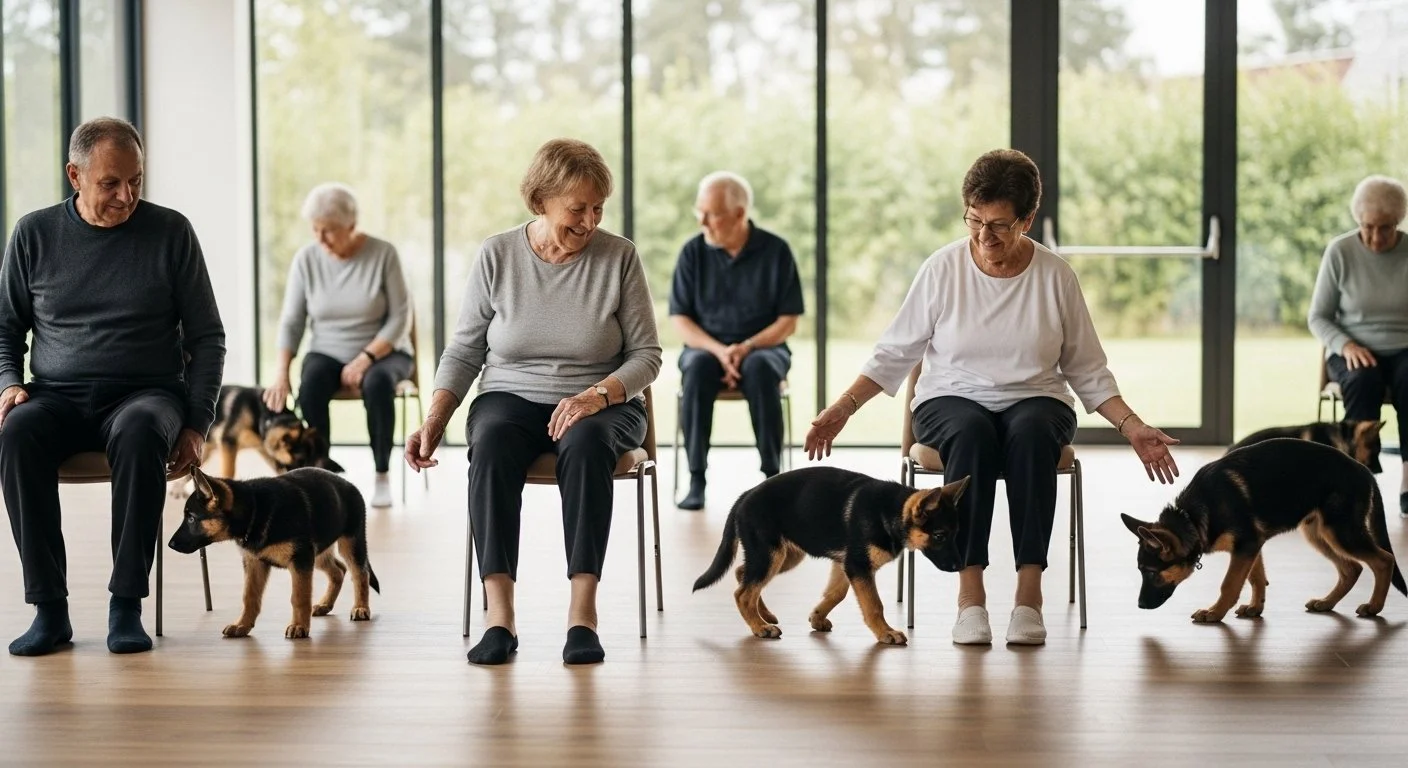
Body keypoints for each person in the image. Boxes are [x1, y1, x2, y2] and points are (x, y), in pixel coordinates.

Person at [804, 149, 1178, 647]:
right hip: (950, 401)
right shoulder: (941, 270)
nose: (984, 237)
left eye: (1000, 225)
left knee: (1028, 434)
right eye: (974, 221)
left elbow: (1087, 369)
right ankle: (971, 598)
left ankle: (1028, 598)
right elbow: (894, 353)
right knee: (974, 433)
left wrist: (1133, 427)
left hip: (1037, 400)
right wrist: (841, 409)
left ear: (1028, 219)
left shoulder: (1055, 277)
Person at [405, 138, 661, 666]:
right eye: (577, 208)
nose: (590, 221)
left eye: (598, 209)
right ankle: (499, 618)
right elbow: (464, 348)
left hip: (603, 402)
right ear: (541, 199)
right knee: (493, 442)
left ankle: (582, 617)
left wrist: (596, 396)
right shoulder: (498, 255)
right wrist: (434, 419)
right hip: (511, 395)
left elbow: (648, 356)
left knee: (587, 443)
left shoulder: (619, 257)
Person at [0, 117, 226, 656]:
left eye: (137, 181)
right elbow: (6, 329)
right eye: (110, 183)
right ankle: (49, 610)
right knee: (17, 431)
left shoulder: (172, 233)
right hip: (56, 394)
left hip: (146, 393)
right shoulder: (34, 234)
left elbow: (208, 337)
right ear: (74, 176)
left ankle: (126, 605)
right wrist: (9, 384)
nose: (126, 196)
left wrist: (196, 423)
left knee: (141, 428)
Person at [265, 183, 414, 509]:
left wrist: (365, 359)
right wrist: (280, 373)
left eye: (329, 231)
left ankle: (381, 474)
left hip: (385, 351)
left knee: (377, 383)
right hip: (328, 349)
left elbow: (401, 317)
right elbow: (292, 320)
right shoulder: (307, 259)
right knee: (312, 382)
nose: (320, 239)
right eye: (315, 230)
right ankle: (322, 474)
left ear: (351, 225)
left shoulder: (383, 254)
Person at [668, 171, 804, 510]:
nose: (702, 221)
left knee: (760, 369)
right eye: (699, 211)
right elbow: (680, 319)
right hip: (705, 349)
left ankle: (773, 480)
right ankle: (696, 478)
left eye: (711, 213)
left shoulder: (776, 251)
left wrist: (746, 347)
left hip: (764, 348)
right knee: (697, 369)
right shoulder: (692, 253)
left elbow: (788, 321)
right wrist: (719, 350)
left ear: (740, 214)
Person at [1308, 174, 1408, 517]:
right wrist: (1346, 344)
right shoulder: (1340, 251)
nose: (1376, 238)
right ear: (1357, 220)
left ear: (1399, 221)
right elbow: (1318, 317)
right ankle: (1358, 483)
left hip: (1404, 348)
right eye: (1368, 227)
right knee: (1364, 379)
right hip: (1352, 347)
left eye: (1386, 228)